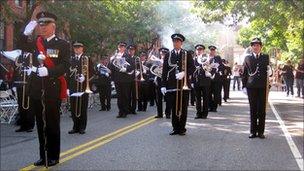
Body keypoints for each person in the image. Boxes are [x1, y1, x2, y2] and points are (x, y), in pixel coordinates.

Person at [18, 11, 70, 166]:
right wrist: (25, 32)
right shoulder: (36, 42)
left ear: (53, 26)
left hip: (52, 88)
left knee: (52, 124)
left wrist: (49, 71)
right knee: (40, 124)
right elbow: (21, 45)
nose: (42, 27)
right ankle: (44, 155)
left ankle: (54, 155)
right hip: (36, 89)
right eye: (40, 25)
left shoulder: (62, 44)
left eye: (45, 25)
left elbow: (65, 65)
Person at [161, 33, 195, 135]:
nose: (176, 43)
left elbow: (192, 68)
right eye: (174, 41)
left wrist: (184, 73)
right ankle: (175, 128)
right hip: (171, 84)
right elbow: (164, 71)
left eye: (178, 41)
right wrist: (163, 85)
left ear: (181, 43)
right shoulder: (168, 54)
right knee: (174, 107)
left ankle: (182, 128)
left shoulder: (186, 53)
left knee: (183, 107)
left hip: (183, 84)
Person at [242, 37, 271, 139]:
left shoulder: (265, 57)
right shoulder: (247, 58)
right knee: (253, 109)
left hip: (263, 87)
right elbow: (244, 73)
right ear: (251, 47)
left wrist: (270, 73)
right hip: (251, 87)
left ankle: (261, 132)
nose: (256, 47)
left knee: (262, 110)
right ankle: (253, 131)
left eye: (258, 45)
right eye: (254, 45)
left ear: (261, 47)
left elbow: (269, 71)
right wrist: (243, 86)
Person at [68, 42, 93, 135]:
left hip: (83, 87)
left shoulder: (86, 58)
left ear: (82, 48)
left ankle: (82, 127)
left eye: (78, 48)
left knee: (82, 107)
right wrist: (67, 88)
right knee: (74, 107)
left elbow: (92, 72)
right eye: (75, 48)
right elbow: (68, 73)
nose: (77, 49)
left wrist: (85, 78)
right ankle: (75, 126)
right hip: (73, 86)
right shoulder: (71, 59)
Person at [109, 42, 134, 118]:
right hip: (117, 79)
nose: (121, 48)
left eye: (123, 46)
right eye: (120, 46)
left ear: (125, 48)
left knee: (125, 96)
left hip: (125, 79)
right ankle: (120, 111)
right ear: (118, 47)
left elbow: (132, 66)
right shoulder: (114, 57)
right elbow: (111, 67)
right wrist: (112, 78)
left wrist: (125, 69)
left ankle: (125, 112)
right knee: (119, 96)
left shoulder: (128, 56)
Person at [13, 51, 35, 132]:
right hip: (20, 84)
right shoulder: (19, 57)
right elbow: (15, 72)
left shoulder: (33, 57)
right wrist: (14, 84)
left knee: (29, 106)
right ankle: (23, 125)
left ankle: (30, 125)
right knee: (21, 105)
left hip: (29, 85)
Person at [192, 44, 211, 119]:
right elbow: (191, 71)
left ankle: (205, 114)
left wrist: (207, 67)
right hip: (197, 80)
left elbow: (211, 69)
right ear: (196, 51)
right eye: (198, 50)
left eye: (200, 50)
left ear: (203, 51)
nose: (199, 51)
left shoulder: (207, 58)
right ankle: (198, 113)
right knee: (197, 98)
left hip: (205, 80)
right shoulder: (194, 59)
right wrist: (192, 82)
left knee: (206, 98)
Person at [208, 45, 224, 112]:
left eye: (213, 50)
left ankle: (214, 107)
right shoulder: (206, 58)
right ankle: (210, 106)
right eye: (211, 50)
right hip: (208, 77)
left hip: (217, 78)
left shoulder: (218, 58)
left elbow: (221, 66)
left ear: (215, 51)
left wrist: (218, 69)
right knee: (208, 93)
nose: (212, 51)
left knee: (216, 93)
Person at [153, 47, 168, 118]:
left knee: (168, 98)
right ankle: (159, 114)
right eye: (162, 54)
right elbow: (153, 69)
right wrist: (155, 76)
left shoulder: (169, 62)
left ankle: (168, 113)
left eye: (164, 54)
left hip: (167, 81)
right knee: (158, 98)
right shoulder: (157, 61)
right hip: (159, 80)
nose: (163, 55)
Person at [127, 45, 137, 114]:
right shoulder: (126, 58)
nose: (131, 51)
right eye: (130, 50)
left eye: (132, 50)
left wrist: (137, 72)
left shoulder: (137, 58)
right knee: (127, 95)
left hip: (134, 78)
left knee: (134, 95)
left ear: (134, 51)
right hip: (127, 78)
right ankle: (128, 108)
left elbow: (140, 68)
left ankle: (133, 109)